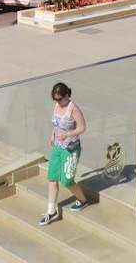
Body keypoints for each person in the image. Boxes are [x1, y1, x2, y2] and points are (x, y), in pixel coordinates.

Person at [39, 82, 89, 225]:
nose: (58, 102)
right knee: (52, 178)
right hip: (58, 147)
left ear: (67, 95)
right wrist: (52, 135)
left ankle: (83, 200)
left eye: (60, 99)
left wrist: (68, 134)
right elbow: (56, 125)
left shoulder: (73, 109)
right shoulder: (57, 106)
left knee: (66, 180)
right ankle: (51, 211)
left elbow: (82, 128)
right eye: (55, 99)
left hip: (71, 149)